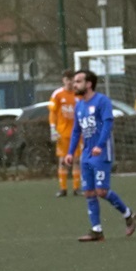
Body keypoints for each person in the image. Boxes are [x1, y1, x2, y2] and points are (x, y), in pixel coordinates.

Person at [65, 70, 136, 242]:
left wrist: (100, 145)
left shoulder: (102, 101)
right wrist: (70, 152)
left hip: (102, 152)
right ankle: (96, 230)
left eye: (78, 81)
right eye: (74, 81)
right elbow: (76, 131)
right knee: (89, 192)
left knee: (101, 191)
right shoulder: (79, 106)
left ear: (89, 84)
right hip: (86, 154)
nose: (74, 84)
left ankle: (128, 215)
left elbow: (107, 124)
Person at [48, 69, 81, 197]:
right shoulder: (57, 94)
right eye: (67, 80)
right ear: (63, 80)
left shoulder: (79, 94)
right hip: (62, 133)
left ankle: (76, 188)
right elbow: (52, 113)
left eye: (71, 79)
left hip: (77, 133)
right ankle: (63, 188)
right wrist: (53, 128)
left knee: (77, 160)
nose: (69, 82)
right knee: (63, 161)